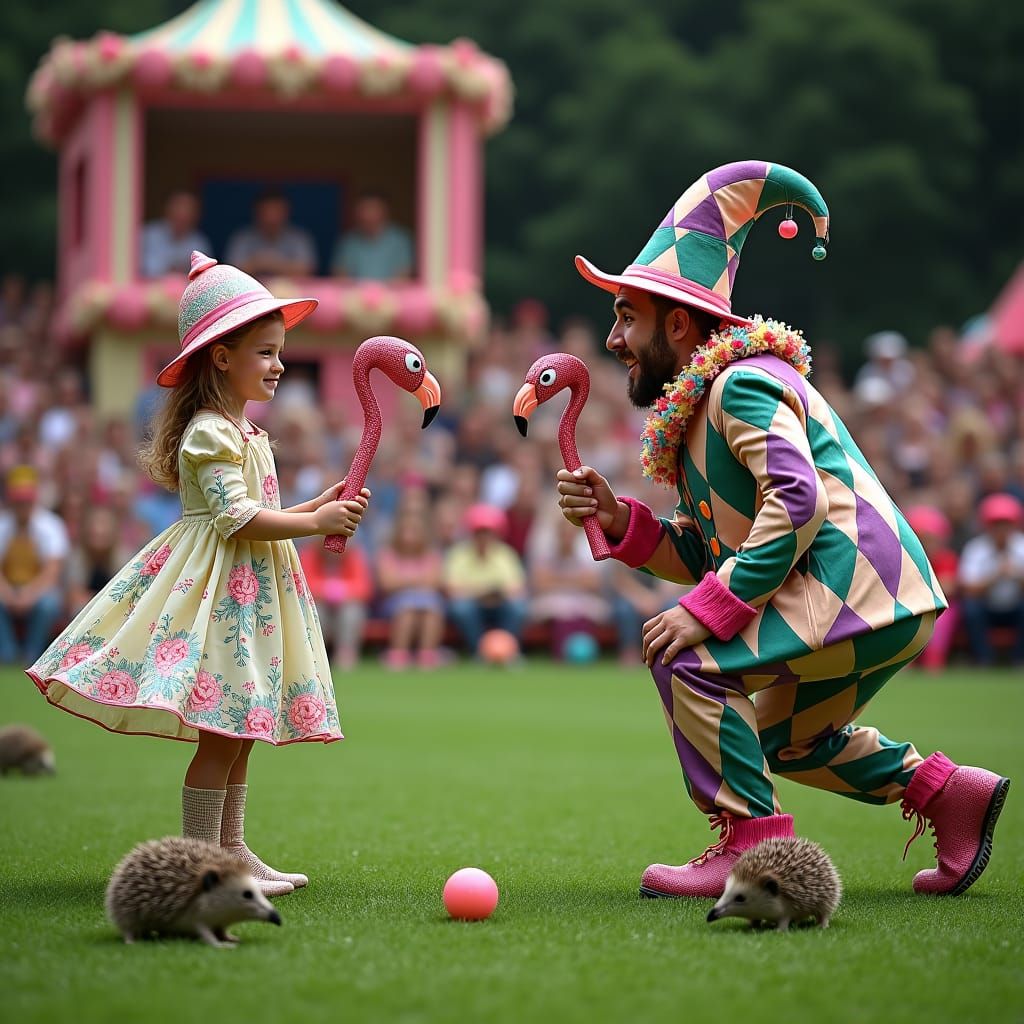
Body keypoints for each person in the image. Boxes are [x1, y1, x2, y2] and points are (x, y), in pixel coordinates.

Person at [554, 161, 1009, 900]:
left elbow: (796, 506)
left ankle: (749, 852)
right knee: (787, 740)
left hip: (852, 585)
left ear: (678, 324)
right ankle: (949, 793)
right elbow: (710, 552)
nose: (613, 339)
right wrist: (621, 523)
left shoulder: (743, 381)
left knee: (690, 655)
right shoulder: (703, 407)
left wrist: (709, 609)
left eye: (625, 318)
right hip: (874, 597)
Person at [26, 251, 370, 897]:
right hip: (217, 593)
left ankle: (233, 854)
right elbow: (237, 520)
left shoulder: (245, 429)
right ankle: (201, 865)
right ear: (221, 357)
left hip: (250, 589)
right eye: (265, 353)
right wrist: (317, 522)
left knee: (240, 731)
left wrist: (317, 505)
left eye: (280, 352)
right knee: (220, 732)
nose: (279, 365)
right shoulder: (209, 432)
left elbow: (261, 512)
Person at [0, 465, 69, 664]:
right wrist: (8, 594)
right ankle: (8, 654)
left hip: (39, 591)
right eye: (18, 500)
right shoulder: (3, 525)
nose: (22, 505)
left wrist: (27, 595)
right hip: (9, 589)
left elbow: (52, 572)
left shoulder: (51, 525)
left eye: (26, 500)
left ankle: (33, 654)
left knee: (48, 605)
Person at [443, 504, 527, 657]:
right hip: (473, 606)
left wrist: (490, 594)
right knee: (462, 608)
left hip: (500, 605)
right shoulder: (458, 555)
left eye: (487, 532)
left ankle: (508, 651)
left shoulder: (506, 554)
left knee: (518, 608)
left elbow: (517, 590)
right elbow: (452, 590)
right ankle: (480, 652)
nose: (483, 537)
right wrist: (484, 593)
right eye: (479, 532)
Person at [958, 492, 1024, 665]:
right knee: (971, 609)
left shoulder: (1022, 545)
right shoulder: (975, 548)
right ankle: (983, 660)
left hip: (1016, 606)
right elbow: (968, 589)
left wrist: (1016, 575)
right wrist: (995, 577)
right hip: (986, 606)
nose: (1001, 530)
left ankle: (1019, 660)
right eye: (996, 524)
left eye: (1006, 524)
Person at [376, 512, 446, 669]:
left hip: (426, 603)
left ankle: (427, 654)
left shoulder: (432, 555)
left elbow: (434, 582)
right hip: (394, 605)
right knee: (407, 609)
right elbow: (387, 584)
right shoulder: (388, 554)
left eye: (414, 532)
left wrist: (404, 581)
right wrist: (418, 580)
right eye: (406, 531)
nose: (409, 537)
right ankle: (398, 653)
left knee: (431, 609)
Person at [297, 535, 373, 671]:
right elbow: (302, 584)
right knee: (316, 612)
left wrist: (343, 591)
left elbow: (364, 587)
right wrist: (325, 590)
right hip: (318, 603)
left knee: (352, 612)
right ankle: (315, 655)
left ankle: (346, 655)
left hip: (347, 604)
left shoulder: (354, 555)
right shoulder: (310, 553)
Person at [227, 190, 317, 279]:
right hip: (250, 290)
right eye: (266, 211)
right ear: (256, 212)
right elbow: (230, 272)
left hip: (292, 290)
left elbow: (307, 270)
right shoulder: (242, 237)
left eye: (276, 211)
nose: (271, 217)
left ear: (286, 212)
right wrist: (259, 262)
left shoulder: (299, 237)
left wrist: (274, 263)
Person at [331, 192, 413, 281]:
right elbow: (340, 276)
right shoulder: (348, 241)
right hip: (354, 294)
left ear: (384, 210)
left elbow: (403, 276)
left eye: (372, 208)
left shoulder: (400, 240)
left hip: (391, 294)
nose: (367, 214)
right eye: (363, 209)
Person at [140, 190, 213, 278]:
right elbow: (140, 268)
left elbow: (205, 277)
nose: (182, 215)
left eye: (187, 211)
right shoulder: (149, 235)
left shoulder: (199, 243)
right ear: (167, 210)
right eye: (178, 209)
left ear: (196, 215)